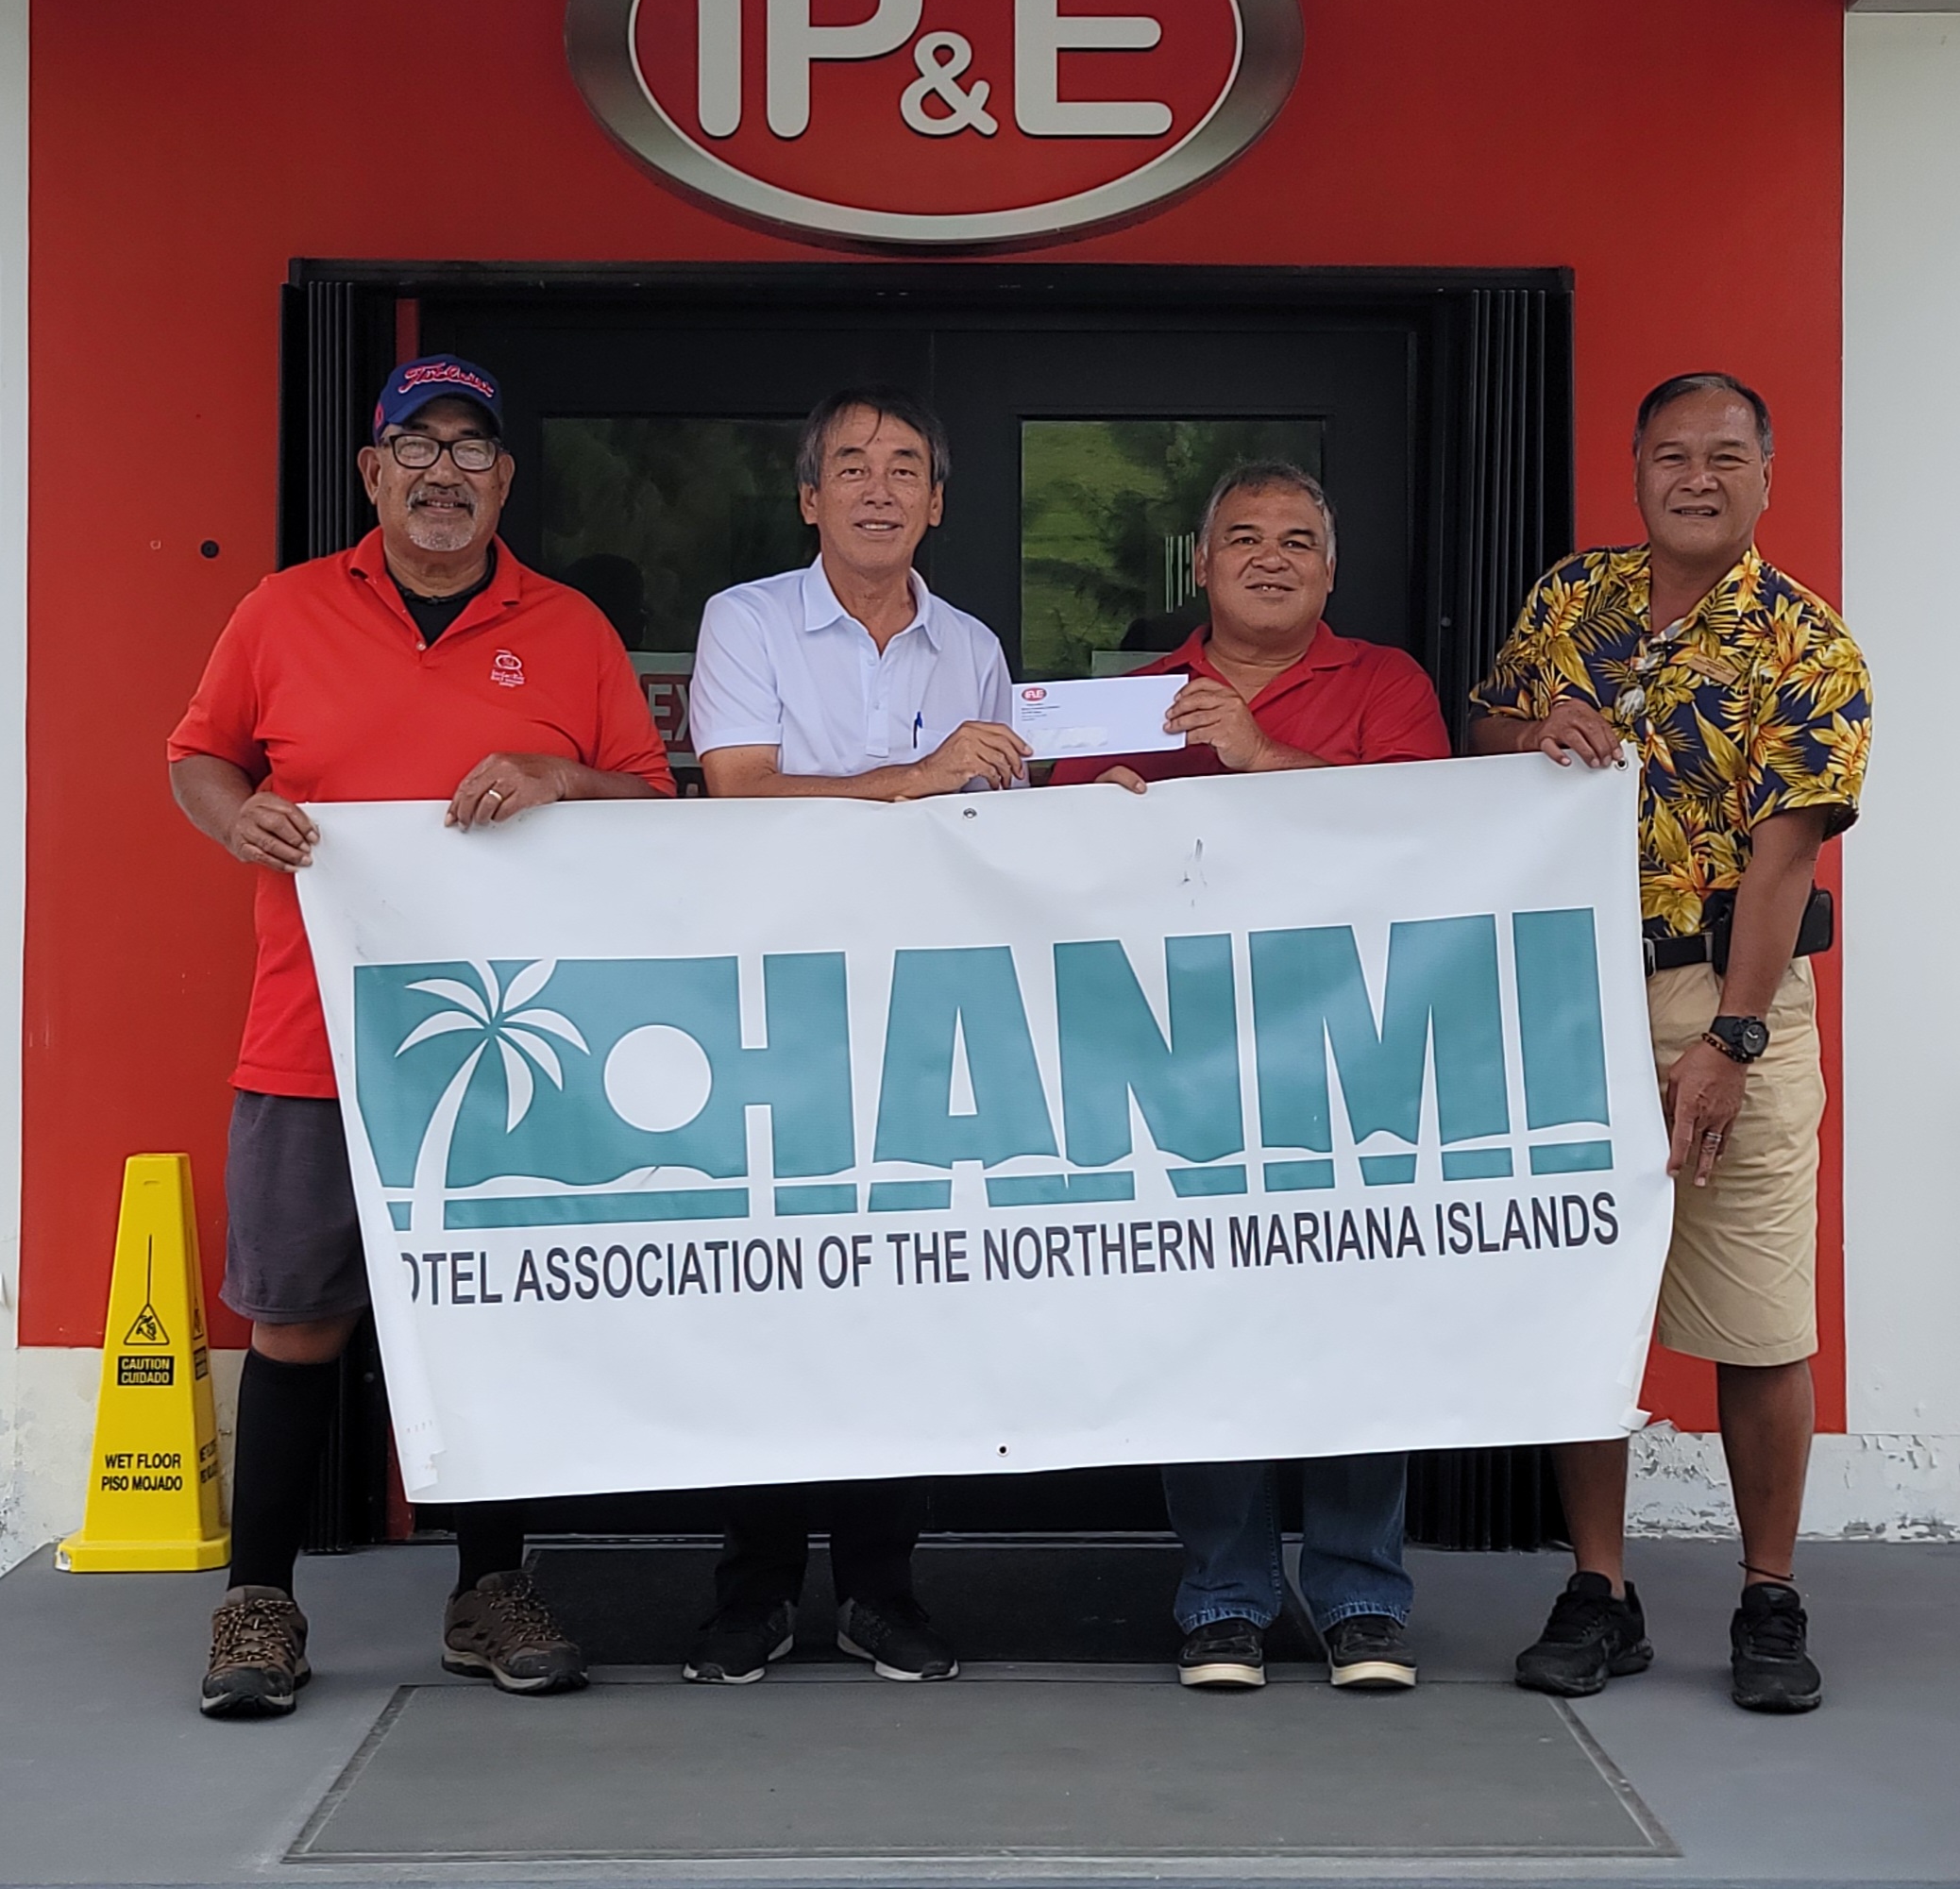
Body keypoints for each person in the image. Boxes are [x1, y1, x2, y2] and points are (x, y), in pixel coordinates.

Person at [169, 355, 675, 1717]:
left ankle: (488, 1590)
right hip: (313, 1037)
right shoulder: (279, 611)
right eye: (417, 443)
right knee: (296, 1328)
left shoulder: (566, 628)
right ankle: (257, 1602)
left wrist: (566, 774)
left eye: (471, 448)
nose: (444, 469)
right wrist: (234, 817)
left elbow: (654, 800)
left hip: (514, 1054)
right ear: (373, 471)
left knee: (492, 1320)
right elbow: (198, 755)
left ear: (505, 479)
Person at [1470, 372, 1871, 1715]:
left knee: (1760, 1317)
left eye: (1724, 455)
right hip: (1568, 996)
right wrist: (1536, 729)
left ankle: (1769, 1594)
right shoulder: (1570, 597)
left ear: (1768, 471)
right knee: (1586, 1297)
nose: (1695, 477)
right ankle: (1601, 1589)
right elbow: (1484, 733)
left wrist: (1733, 1037)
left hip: (1725, 993)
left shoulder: (1807, 644)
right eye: (1671, 455)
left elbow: (1782, 860)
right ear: (1635, 466)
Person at [1053, 459, 1451, 1692]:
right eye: (1243, 538)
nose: (1269, 556)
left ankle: (1359, 1596)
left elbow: (1437, 824)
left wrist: (1261, 754)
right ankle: (1223, 1596)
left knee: (1352, 1313)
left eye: (1296, 539)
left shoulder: (1387, 682)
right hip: (1184, 1063)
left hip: (1353, 1051)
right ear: (1203, 568)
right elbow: (1051, 868)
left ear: (1328, 570)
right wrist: (1097, 812)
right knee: (1206, 1315)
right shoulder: (1125, 701)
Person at [684, 384, 1024, 1685]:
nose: (878, 488)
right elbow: (739, 791)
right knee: (772, 1294)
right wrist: (916, 780)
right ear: (810, 496)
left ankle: (883, 1587)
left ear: (938, 500)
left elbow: (996, 824)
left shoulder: (975, 647)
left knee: (907, 1299)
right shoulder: (749, 620)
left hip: (925, 1015)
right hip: (769, 1007)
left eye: (904, 468)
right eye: (850, 466)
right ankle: (752, 1587)